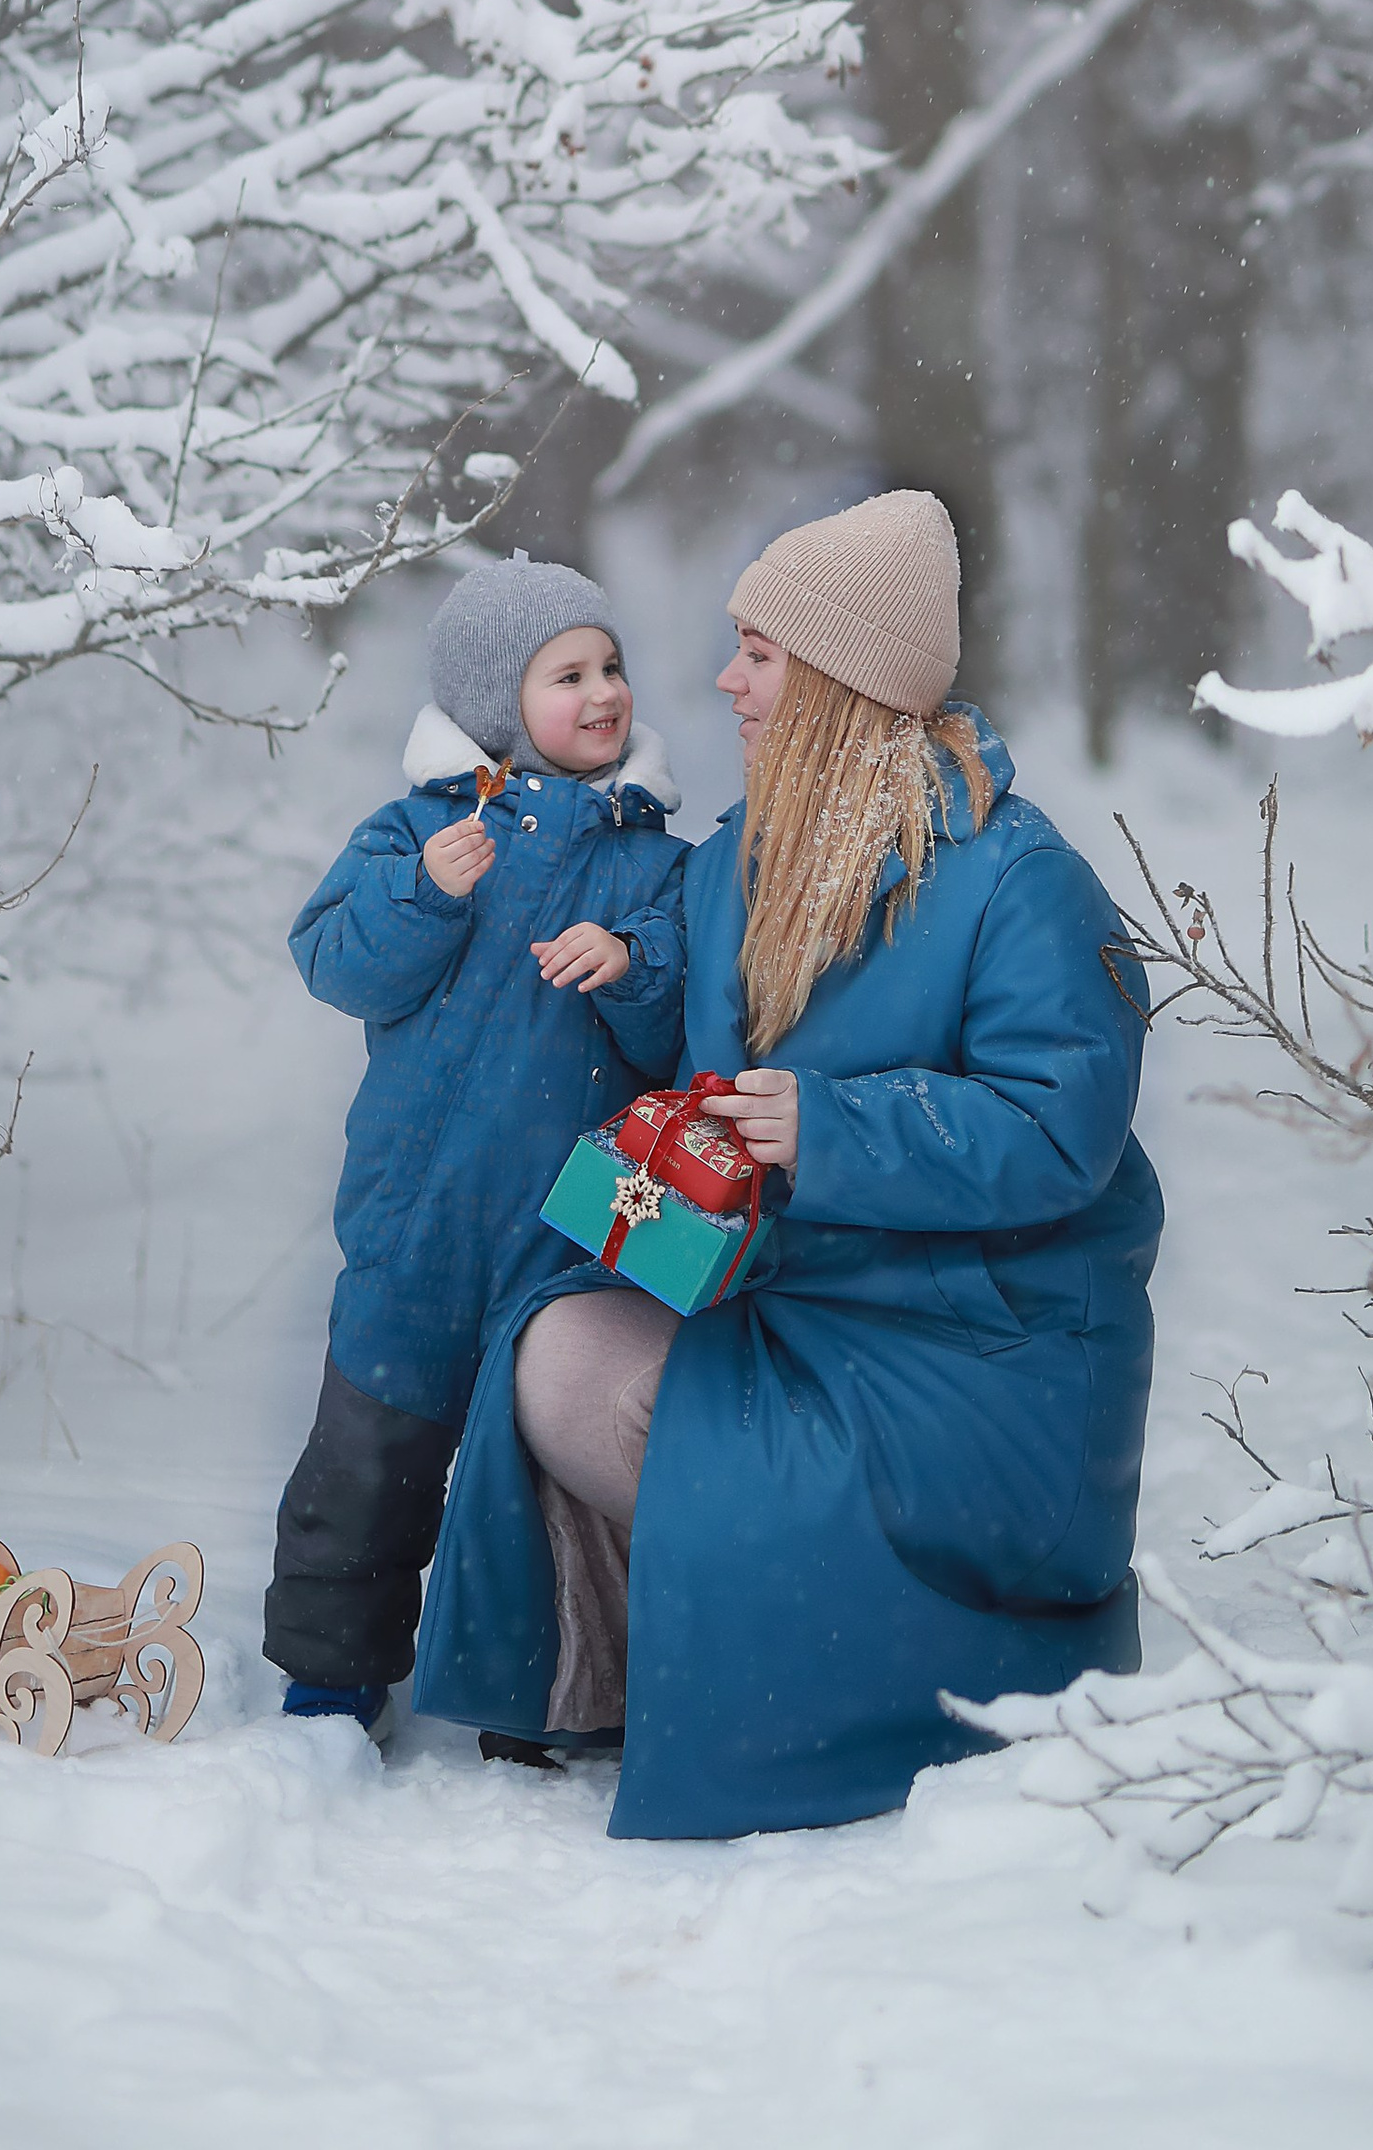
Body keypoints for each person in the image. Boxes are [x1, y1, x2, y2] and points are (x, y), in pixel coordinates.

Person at [411, 488, 1161, 1835]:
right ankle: (650, 1659)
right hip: (804, 1294)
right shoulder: (749, 858)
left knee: (677, 1415)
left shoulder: (1016, 877)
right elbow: (697, 1043)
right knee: (551, 1326)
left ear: (836, 676)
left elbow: (1060, 1131)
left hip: (977, 1344)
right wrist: (629, 987)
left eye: (757, 651)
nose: (723, 678)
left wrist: (832, 1130)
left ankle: (806, 1670)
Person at [265, 554, 688, 1737]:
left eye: (610, 665)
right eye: (570, 673)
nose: (605, 691)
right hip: (419, 1213)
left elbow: (682, 1028)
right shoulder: (425, 827)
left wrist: (634, 962)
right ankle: (329, 1673)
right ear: (502, 704)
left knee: (530, 1472)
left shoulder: (656, 861)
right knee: (369, 1451)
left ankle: (535, 1690)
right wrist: (422, 892)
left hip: (565, 1230)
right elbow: (334, 960)